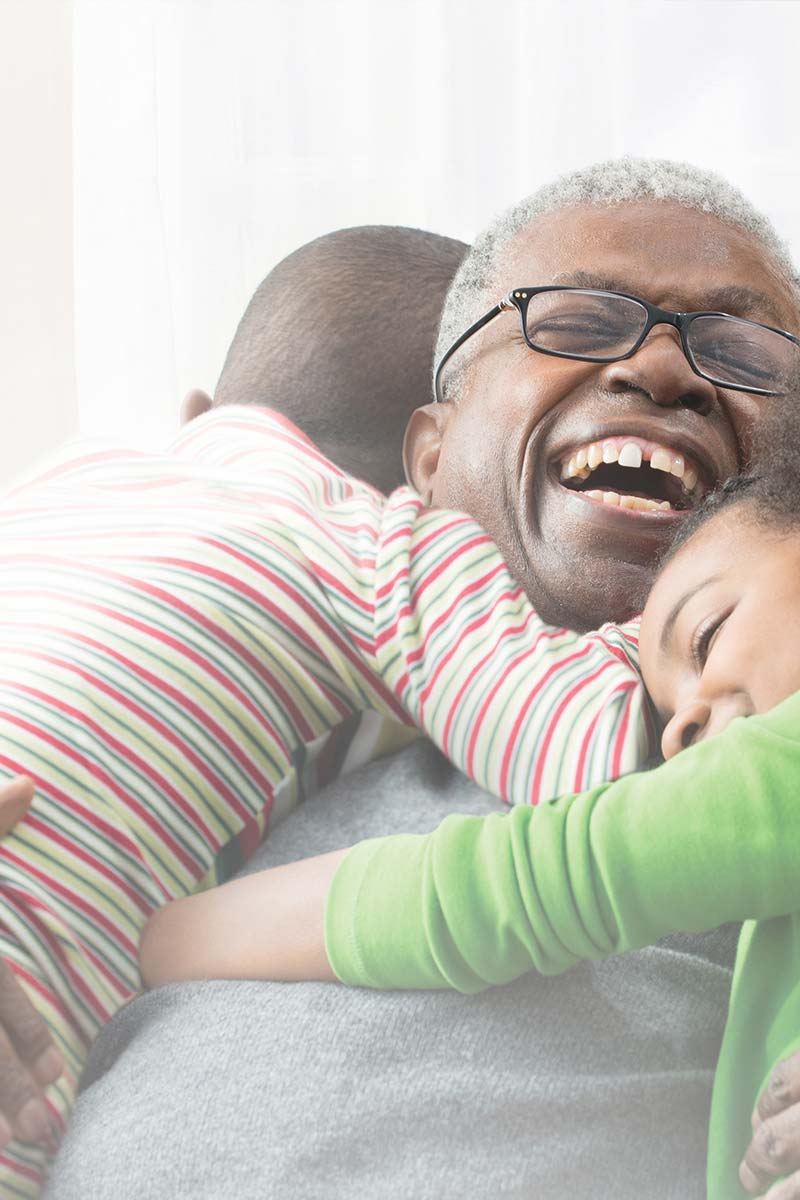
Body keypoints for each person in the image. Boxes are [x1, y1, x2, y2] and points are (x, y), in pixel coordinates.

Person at [6, 159, 800, 1198]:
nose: (661, 370)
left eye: (739, 349)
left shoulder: (743, 777)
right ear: (422, 454)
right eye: (573, 320)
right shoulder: (261, 703)